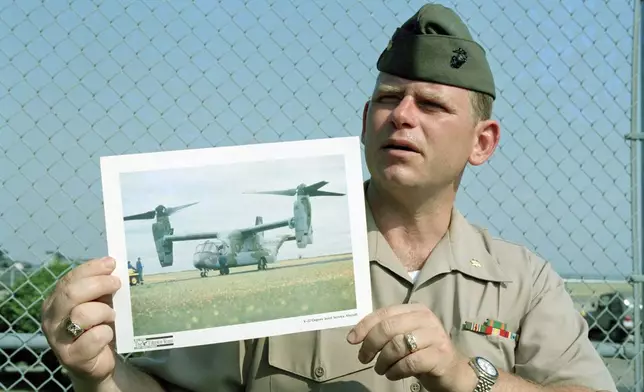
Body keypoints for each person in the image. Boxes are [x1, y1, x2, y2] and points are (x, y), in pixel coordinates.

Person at [40, 4, 618, 392]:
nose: (404, 117)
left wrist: (468, 375)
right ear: (367, 120)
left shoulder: (523, 282)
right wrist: (98, 373)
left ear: (482, 142)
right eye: (390, 100)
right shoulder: (296, 263)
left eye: (433, 106)